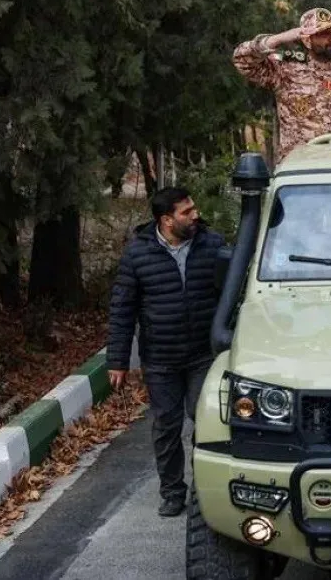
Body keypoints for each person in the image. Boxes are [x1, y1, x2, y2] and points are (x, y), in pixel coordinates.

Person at [106, 188, 227, 517]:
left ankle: (205, 491)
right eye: (186, 212)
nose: (195, 215)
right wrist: (117, 361)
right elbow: (122, 309)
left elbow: (233, 296)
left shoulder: (212, 246)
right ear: (166, 220)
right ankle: (173, 492)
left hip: (204, 354)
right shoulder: (138, 254)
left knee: (207, 422)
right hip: (160, 359)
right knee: (166, 425)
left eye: (193, 208)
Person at [232, 8, 331, 159]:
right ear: (307, 40)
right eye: (323, 33)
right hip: (300, 166)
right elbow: (242, 61)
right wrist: (277, 39)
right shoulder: (286, 68)